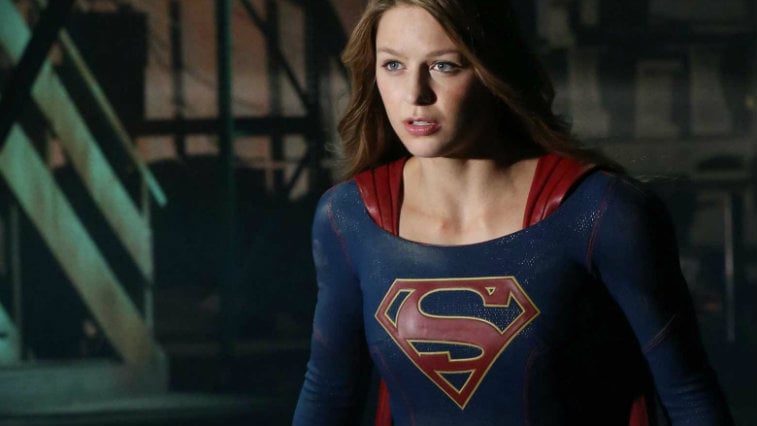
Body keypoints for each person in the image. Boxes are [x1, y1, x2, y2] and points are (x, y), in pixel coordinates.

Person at [292, 0, 733, 424]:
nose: (414, 94)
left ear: (493, 70)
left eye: (444, 65)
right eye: (393, 65)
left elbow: (687, 393)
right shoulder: (350, 218)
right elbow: (329, 393)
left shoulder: (599, 212)